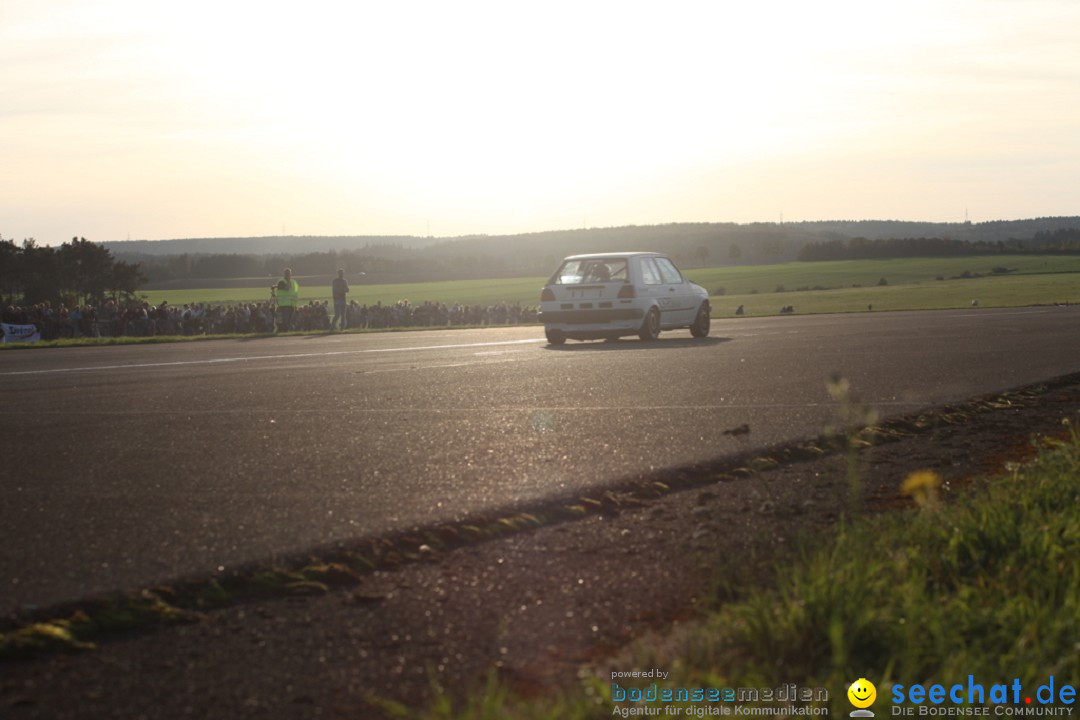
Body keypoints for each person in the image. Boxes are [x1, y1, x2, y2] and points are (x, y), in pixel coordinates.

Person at [272, 268, 300, 332]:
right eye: (286, 273)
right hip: (284, 304)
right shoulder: (281, 281)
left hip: (292, 304)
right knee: (285, 319)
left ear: (291, 274)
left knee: (290, 319)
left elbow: (295, 292)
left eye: (289, 273)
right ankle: (284, 331)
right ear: (284, 274)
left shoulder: (293, 282)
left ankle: (286, 331)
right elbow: (287, 288)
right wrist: (287, 282)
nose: (287, 274)